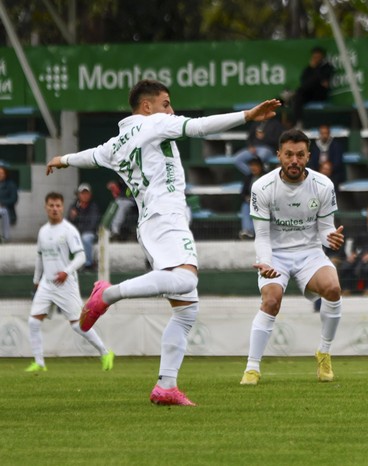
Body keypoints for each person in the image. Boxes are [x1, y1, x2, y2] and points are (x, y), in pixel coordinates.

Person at [46, 79, 281, 405]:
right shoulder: (155, 123)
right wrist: (247, 116)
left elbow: (90, 156)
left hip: (150, 223)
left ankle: (166, 386)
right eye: (166, 102)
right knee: (185, 278)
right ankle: (108, 293)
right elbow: (199, 127)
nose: (171, 110)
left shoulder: (115, 144)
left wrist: (63, 159)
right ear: (147, 106)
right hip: (167, 216)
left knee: (186, 311)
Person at [240, 129, 344, 386]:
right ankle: (252, 367)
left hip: (309, 252)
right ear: (279, 155)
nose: (294, 160)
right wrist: (265, 262)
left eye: (300, 155)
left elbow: (325, 229)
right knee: (272, 300)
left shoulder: (323, 185)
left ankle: (324, 353)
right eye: (288, 155)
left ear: (309, 156)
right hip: (275, 254)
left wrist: (331, 238)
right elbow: (262, 236)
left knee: (333, 288)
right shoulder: (262, 187)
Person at [26, 192, 114, 372]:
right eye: (51, 205)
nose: (54, 209)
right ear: (46, 207)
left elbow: (81, 256)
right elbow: (39, 257)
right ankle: (39, 363)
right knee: (33, 322)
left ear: (62, 207)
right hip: (47, 283)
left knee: (77, 325)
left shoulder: (68, 230)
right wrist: (37, 280)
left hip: (65, 284)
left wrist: (66, 272)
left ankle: (105, 353)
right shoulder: (43, 231)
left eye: (58, 205)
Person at [289, 46, 335, 128]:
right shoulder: (308, 69)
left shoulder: (327, 67)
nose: (316, 59)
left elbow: (323, 80)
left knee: (311, 82)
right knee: (298, 97)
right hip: (308, 93)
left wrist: (314, 69)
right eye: (314, 57)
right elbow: (303, 80)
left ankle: (293, 93)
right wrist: (311, 68)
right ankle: (299, 122)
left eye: (318, 57)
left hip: (320, 93)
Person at [67, 183, 101, 271]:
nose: (85, 195)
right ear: (78, 195)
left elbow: (92, 224)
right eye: (82, 193)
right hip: (76, 233)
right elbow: (68, 223)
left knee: (86, 238)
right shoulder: (74, 206)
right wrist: (72, 217)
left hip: (90, 233)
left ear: (90, 195)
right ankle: (70, 265)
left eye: (87, 193)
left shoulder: (93, 207)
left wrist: (79, 231)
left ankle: (88, 264)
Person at [309, 124, 345, 188]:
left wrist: (328, 169)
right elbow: (313, 161)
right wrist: (321, 169)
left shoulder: (336, 145)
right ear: (320, 134)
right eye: (322, 133)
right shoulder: (315, 146)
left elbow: (338, 162)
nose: (324, 135)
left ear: (329, 134)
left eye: (326, 133)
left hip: (333, 173)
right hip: (318, 172)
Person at [239, 155, 266, 240]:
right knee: (245, 207)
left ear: (260, 166)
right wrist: (247, 198)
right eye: (251, 165)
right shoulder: (248, 177)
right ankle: (248, 231)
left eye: (255, 165)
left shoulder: (267, 177)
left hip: (263, 203)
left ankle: (250, 232)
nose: (253, 168)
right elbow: (243, 193)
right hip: (250, 203)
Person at [0, 165, 18, 243]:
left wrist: (2, 203)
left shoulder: (11, 184)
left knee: (4, 211)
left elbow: (14, 199)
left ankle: (5, 237)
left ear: (6, 174)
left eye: (2, 173)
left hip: (7, 210)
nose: (0, 175)